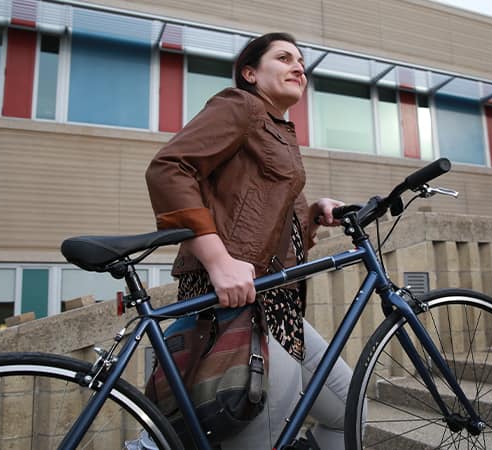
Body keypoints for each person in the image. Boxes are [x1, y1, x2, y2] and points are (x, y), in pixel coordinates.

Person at [145, 32, 353, 450]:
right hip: (238, 305)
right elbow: (168, 169)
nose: (299, 67)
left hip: (279, 306)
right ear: (250, 73)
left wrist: (313, 213)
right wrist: (218, 260)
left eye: (301, 61)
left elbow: (266, 225)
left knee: (349, 410)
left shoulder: (279, 132)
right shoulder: (240, 106)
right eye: (284, 58)